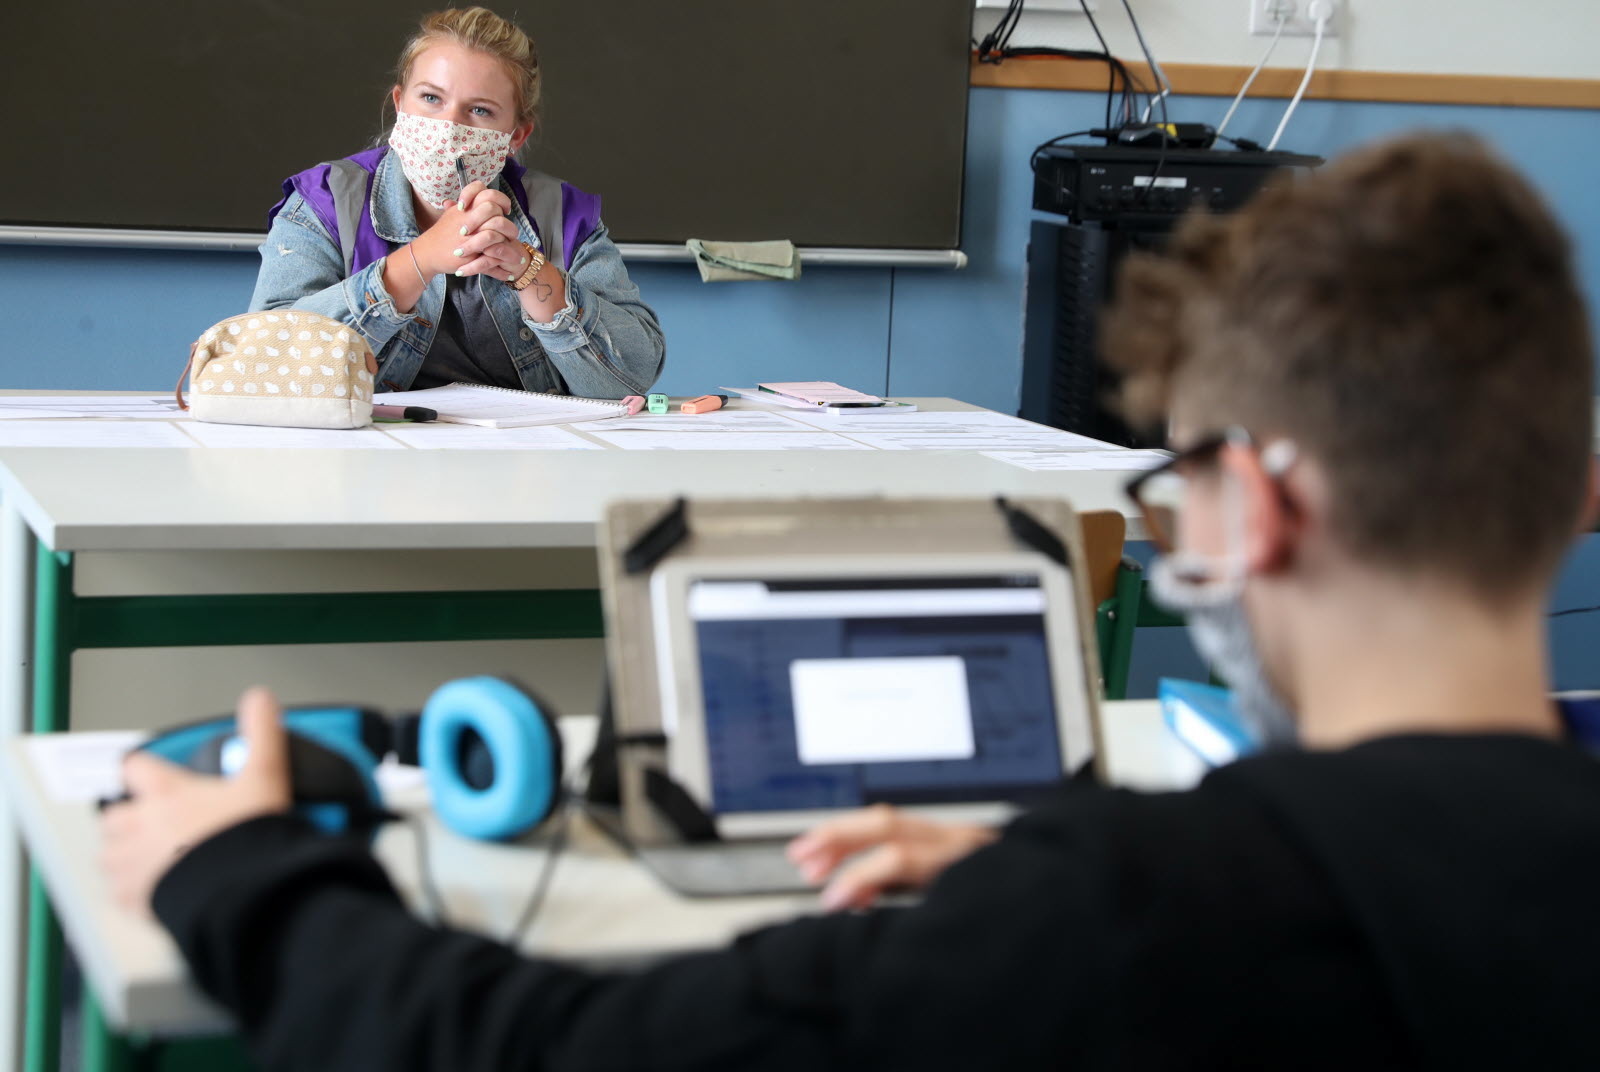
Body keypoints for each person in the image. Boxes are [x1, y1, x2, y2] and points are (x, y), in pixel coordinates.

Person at [102, 131, 1600, 1069]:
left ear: (1254, 513)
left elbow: (535, 1043)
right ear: (1573, 485)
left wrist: (241, 876)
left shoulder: (1109, 922)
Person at [249, 7, 664, 399]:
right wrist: (420, 259)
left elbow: (631, 378)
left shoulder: (561, 214)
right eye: (430, 98)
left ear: (515, 136)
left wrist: (528, 270)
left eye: (480, 110)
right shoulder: (325, 202)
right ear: (399, 105)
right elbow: (264, 367)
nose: (448, 127)